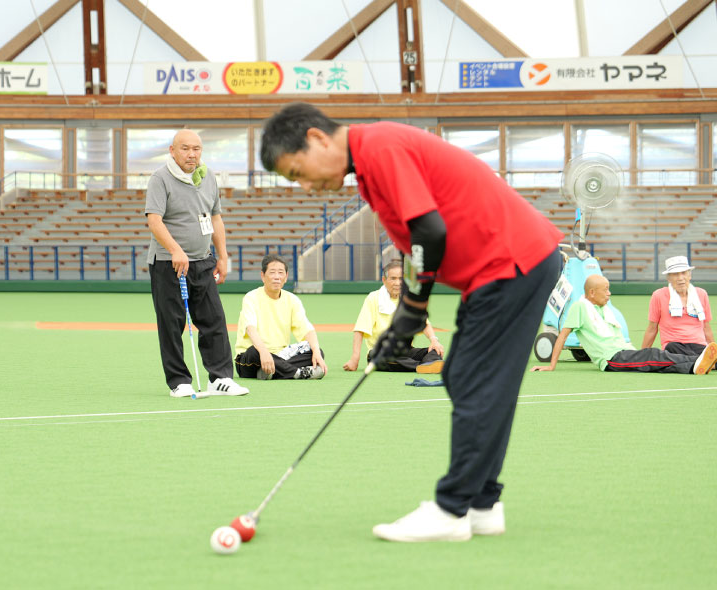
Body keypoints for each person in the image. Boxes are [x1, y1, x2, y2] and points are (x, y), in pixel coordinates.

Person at [260, 102, 564, 542]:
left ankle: (451, 510)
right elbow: (416, 238)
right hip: (503, 267)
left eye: (297, 171)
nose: (305, 185)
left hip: (513, 262)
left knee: (478, 382)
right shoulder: (368, 164)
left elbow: (430, 232)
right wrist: (410, 314)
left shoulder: (379, 147)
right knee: (466, 377)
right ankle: (482, 503)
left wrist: (410, 312)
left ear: (316, 139)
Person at [145, 128, 249, 398]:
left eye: (196, 149)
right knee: (172, 324)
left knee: (214, 320)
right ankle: (179, 381)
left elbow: (215, 218)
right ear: (172, 150)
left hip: (203, 261)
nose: (192, 154)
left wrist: (222, 256)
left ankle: (221, 378)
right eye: (185, 148)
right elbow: (154, 221)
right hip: (169, 264)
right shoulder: (160, 178)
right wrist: (175, 249)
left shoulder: (208, 176)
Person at [532, 274, 717, 374]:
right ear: (592, 293)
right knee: (653, 355)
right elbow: (563, 336)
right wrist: (551, 366)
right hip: (612, 360)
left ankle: (702, 364)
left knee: (657, 360)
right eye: (605, 290)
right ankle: (695, 365)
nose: (609, 293)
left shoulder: (602, 309)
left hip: (622, 352)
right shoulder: (579, 308)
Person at [234, 254, 328, 380]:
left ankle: (270, 371)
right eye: (272, 272)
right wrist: (264, 352)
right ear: (263, 276)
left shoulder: (292, 300)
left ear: (286, 277)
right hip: (252, 359)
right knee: (253, 352)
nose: (277, 277)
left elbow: (307, 329)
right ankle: (297, 373)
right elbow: (250, 329)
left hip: (281, 356)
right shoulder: (251, 297)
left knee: (316, 351)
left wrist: (316, 351)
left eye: (280, 273)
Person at [343, 259, 445, 373]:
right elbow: (360, 330)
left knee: (434, 351)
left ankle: (427, 364)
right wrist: (355, 359)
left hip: (406, 351)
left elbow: (424, 323)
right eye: (393, 278)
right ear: (384, 280)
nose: (398, 283)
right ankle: (425, 366)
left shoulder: (410, 298)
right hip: (380, 352)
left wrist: (434, 340)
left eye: (401, 279)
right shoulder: (373, 298)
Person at [641, 256, 717, 372]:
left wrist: (713, 350)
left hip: (699, 346)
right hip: (675, 347)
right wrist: (642, 354)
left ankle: (710, 361)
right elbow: (652, 328)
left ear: (689, 275)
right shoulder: (658, 295)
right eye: (675, 274)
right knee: (672, 348)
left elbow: (706, 327)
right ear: (669, 278)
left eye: (683, 273)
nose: (680, 278)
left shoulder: (702, 294)